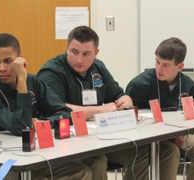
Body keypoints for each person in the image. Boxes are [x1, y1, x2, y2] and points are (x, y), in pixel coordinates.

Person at [37, 26, 179, 180]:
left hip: (99, 136)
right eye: (74, 52)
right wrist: (103, 110)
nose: (79, 59)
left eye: (86, 54)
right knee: (98, 161)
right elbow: (59, 109)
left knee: (159, 150)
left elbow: (118, 96)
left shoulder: (98, 67)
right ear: (67, 48)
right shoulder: (52, 72)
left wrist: (125, 100)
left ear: (96, 53)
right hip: (67, 143)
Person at [0, 33, 107, 180]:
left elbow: (64, 112)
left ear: (20, 59)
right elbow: (21, 127)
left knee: (86, 169)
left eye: (8, 61)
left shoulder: (34, 81)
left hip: (34, 153)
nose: (2, 68)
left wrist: (42, 124)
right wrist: (22, 84)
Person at [126, 37, 194, 180]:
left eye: (166, 65)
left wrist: (181, 134)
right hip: (146, 137)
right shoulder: (139, 85)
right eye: (157, 62)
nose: (159, 68)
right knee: (171, 151)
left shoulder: (189, 86)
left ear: (180, 67)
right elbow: (128, 122)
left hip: (179, 134)